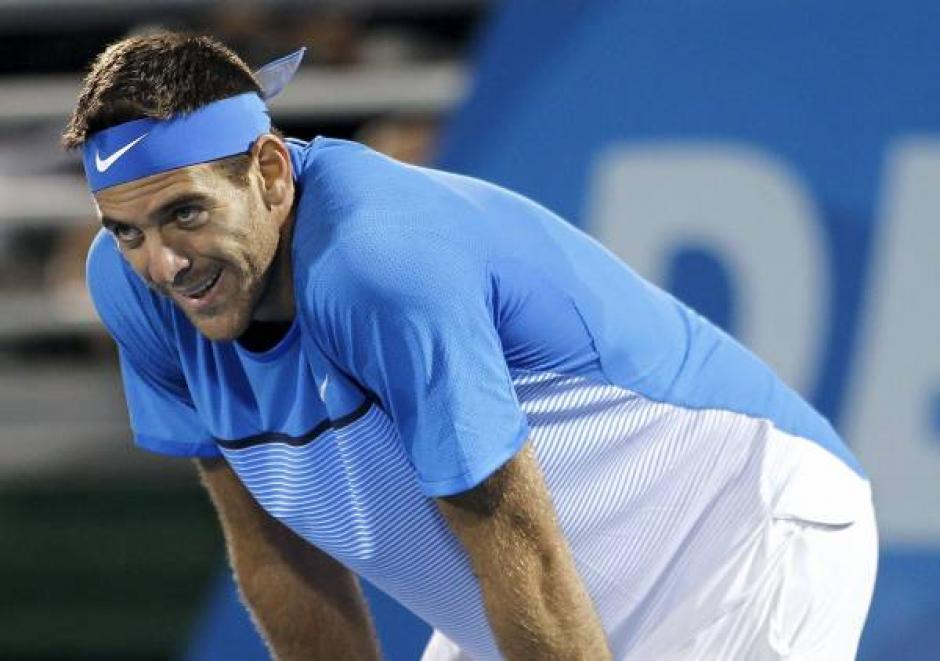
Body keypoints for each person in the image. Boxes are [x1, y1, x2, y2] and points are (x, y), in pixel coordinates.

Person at [64, 33, 877, 660]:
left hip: (739, 534)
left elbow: (515, 542)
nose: (162, 264)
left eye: (186, 213)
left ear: (271, 172)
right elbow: (276, 552)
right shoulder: (133, 286)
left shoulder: (379, 269)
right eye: (128, 230)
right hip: (533, 593)